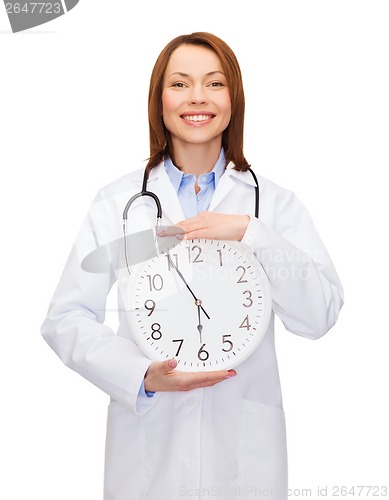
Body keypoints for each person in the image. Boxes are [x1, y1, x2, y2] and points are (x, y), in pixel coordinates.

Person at [41, 32, 344, 500]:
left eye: (214, 83)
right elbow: (65, 318)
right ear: (159, 101)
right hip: (147, 452)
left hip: (244, 451)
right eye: (180, 84)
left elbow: (319, 315)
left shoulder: (273, 207)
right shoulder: (120, 204)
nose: (197, 98)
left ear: (233, 99)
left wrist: (252, 233)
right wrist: (140, 374)